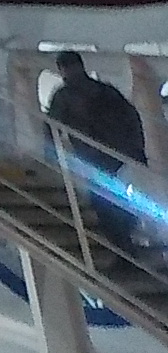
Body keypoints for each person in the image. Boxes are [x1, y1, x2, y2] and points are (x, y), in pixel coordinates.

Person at [45, 50, 148, 252]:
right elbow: (131, 117)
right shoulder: (105, 90)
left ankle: (121, 246)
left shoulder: (64, 96)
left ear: (62, 69)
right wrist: (137, 149)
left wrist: (49, 152)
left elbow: (50, 126)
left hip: (93, 156)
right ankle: (127, 237)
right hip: (117, 155)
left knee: (101, 201)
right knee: (117, 198)